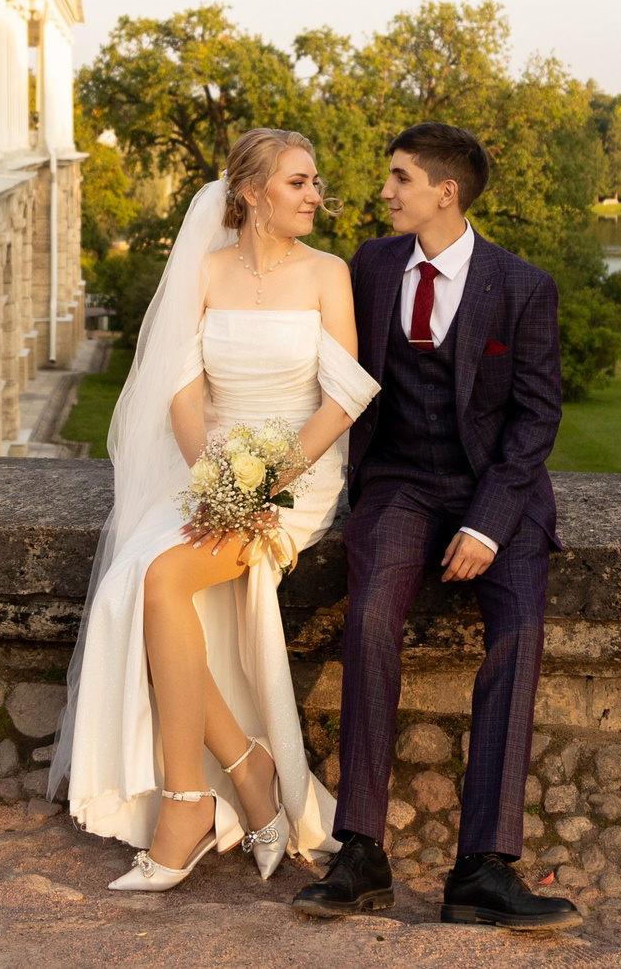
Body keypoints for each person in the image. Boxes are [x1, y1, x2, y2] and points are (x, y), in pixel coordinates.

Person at [52, 128, 379, 892]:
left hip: (296, 474)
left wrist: (261, 488)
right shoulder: (204, 270)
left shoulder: (329, 274)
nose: (314, 194)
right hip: (211, 469)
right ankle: (248, 765)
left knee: (162, 579)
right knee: (132, 580)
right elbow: (179, 389)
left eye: (315, 180)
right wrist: (213, 480)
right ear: (252, 192)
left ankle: (188, 804)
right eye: (298, 182)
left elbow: (342, 401)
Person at [290, 122, 580, 930]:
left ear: (444, 192)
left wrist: (487, 526)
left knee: (519, 630)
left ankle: (484, 867)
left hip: (499, 493)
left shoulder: (522, 285)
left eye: (399, 178)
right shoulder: (373, 268)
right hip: (400, 485)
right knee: (374, 613)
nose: (385, 191)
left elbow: (534, 419)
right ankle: (361, 852)